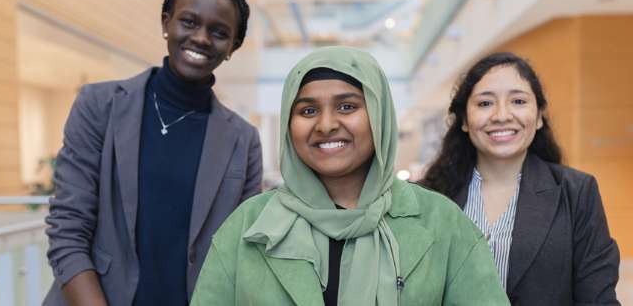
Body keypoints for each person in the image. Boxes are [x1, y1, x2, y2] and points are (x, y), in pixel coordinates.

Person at [191, 46, 509, 306]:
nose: (326, 124)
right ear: (289, 124)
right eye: (307, 110)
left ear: (379, 116)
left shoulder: (441, 223)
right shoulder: (248, 226)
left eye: (346, 106)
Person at [43, 0, 262, 306]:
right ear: (166, 23)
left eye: (219, 32)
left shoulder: (243, 141)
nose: (202, 38)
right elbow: (68, 232)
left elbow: (241, 256)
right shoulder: (99, 106)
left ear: (232, 47)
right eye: (189, 22)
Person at [419, 52, 620, 305]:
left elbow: (597, 298)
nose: (502, 115)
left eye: (518, 101)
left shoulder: (576, 192)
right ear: (464, 121)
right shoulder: (428, 197)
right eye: (484, 104)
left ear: (538, 117)